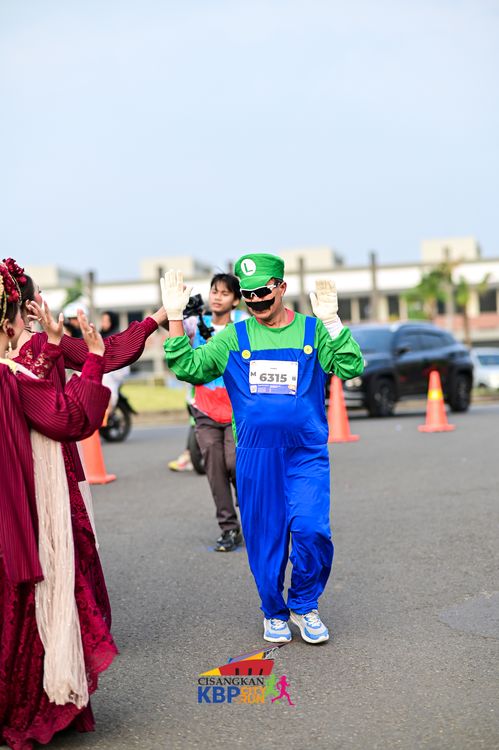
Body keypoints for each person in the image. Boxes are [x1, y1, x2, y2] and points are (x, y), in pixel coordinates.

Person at [161, 254, 364, 645]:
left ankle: (304, 605)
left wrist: (332, 322)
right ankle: (273, 611)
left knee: (311, 529)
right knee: (265, 537)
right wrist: (173, 318)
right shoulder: (233, 337)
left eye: (263, 292)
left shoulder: (311, 330)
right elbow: (189, 367)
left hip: (305, 452)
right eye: (249, 295)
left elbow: (350, 367)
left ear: (281, 288)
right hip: (256, 454)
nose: (256, 301)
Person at [0, 262, 115, 749]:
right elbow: (67, 418)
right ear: (12, 320)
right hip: (25, 501)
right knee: (31, 602)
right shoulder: (11, 375)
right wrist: (93, 357)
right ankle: (30, 706)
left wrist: (50, 345)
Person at [186, 273, 246, 552]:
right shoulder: (196, 322)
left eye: (225, 293)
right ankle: (229, 528)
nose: (217, 297)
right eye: (214, 291)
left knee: (235, 464)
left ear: (235, 300)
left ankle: (250, 507)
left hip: (237, 409)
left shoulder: (244, 324)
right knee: (215, 468)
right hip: (206, 409)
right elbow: (169, 327)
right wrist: (176, 307)